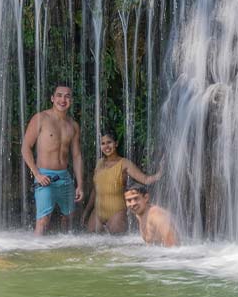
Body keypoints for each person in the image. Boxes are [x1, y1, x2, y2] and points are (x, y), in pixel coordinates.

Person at [22, 83, 83, 235]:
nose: (63, 99)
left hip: (65, 177)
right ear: (52, 98)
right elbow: (25, 148)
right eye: (59, 95)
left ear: (71, 100)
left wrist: (80, 184)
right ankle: (36, 254)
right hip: (44, 176)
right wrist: (37, 174)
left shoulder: (73, 125)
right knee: (43, 220)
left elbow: (76, 155)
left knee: (68, 219)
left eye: (67, 96)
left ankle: (64, 254)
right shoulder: (41, 118)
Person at [82, 131, 161, 234]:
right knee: (90, 240)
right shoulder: (99, 164)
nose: (106, 146)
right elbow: (95, 189)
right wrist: (87, 211)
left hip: (117, 212)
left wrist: (159, 174)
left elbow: (145, 180)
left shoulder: (124, 163)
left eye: (109, 142)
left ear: (116, 143)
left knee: (117, 244)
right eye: (103, 143)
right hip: (97, 212)